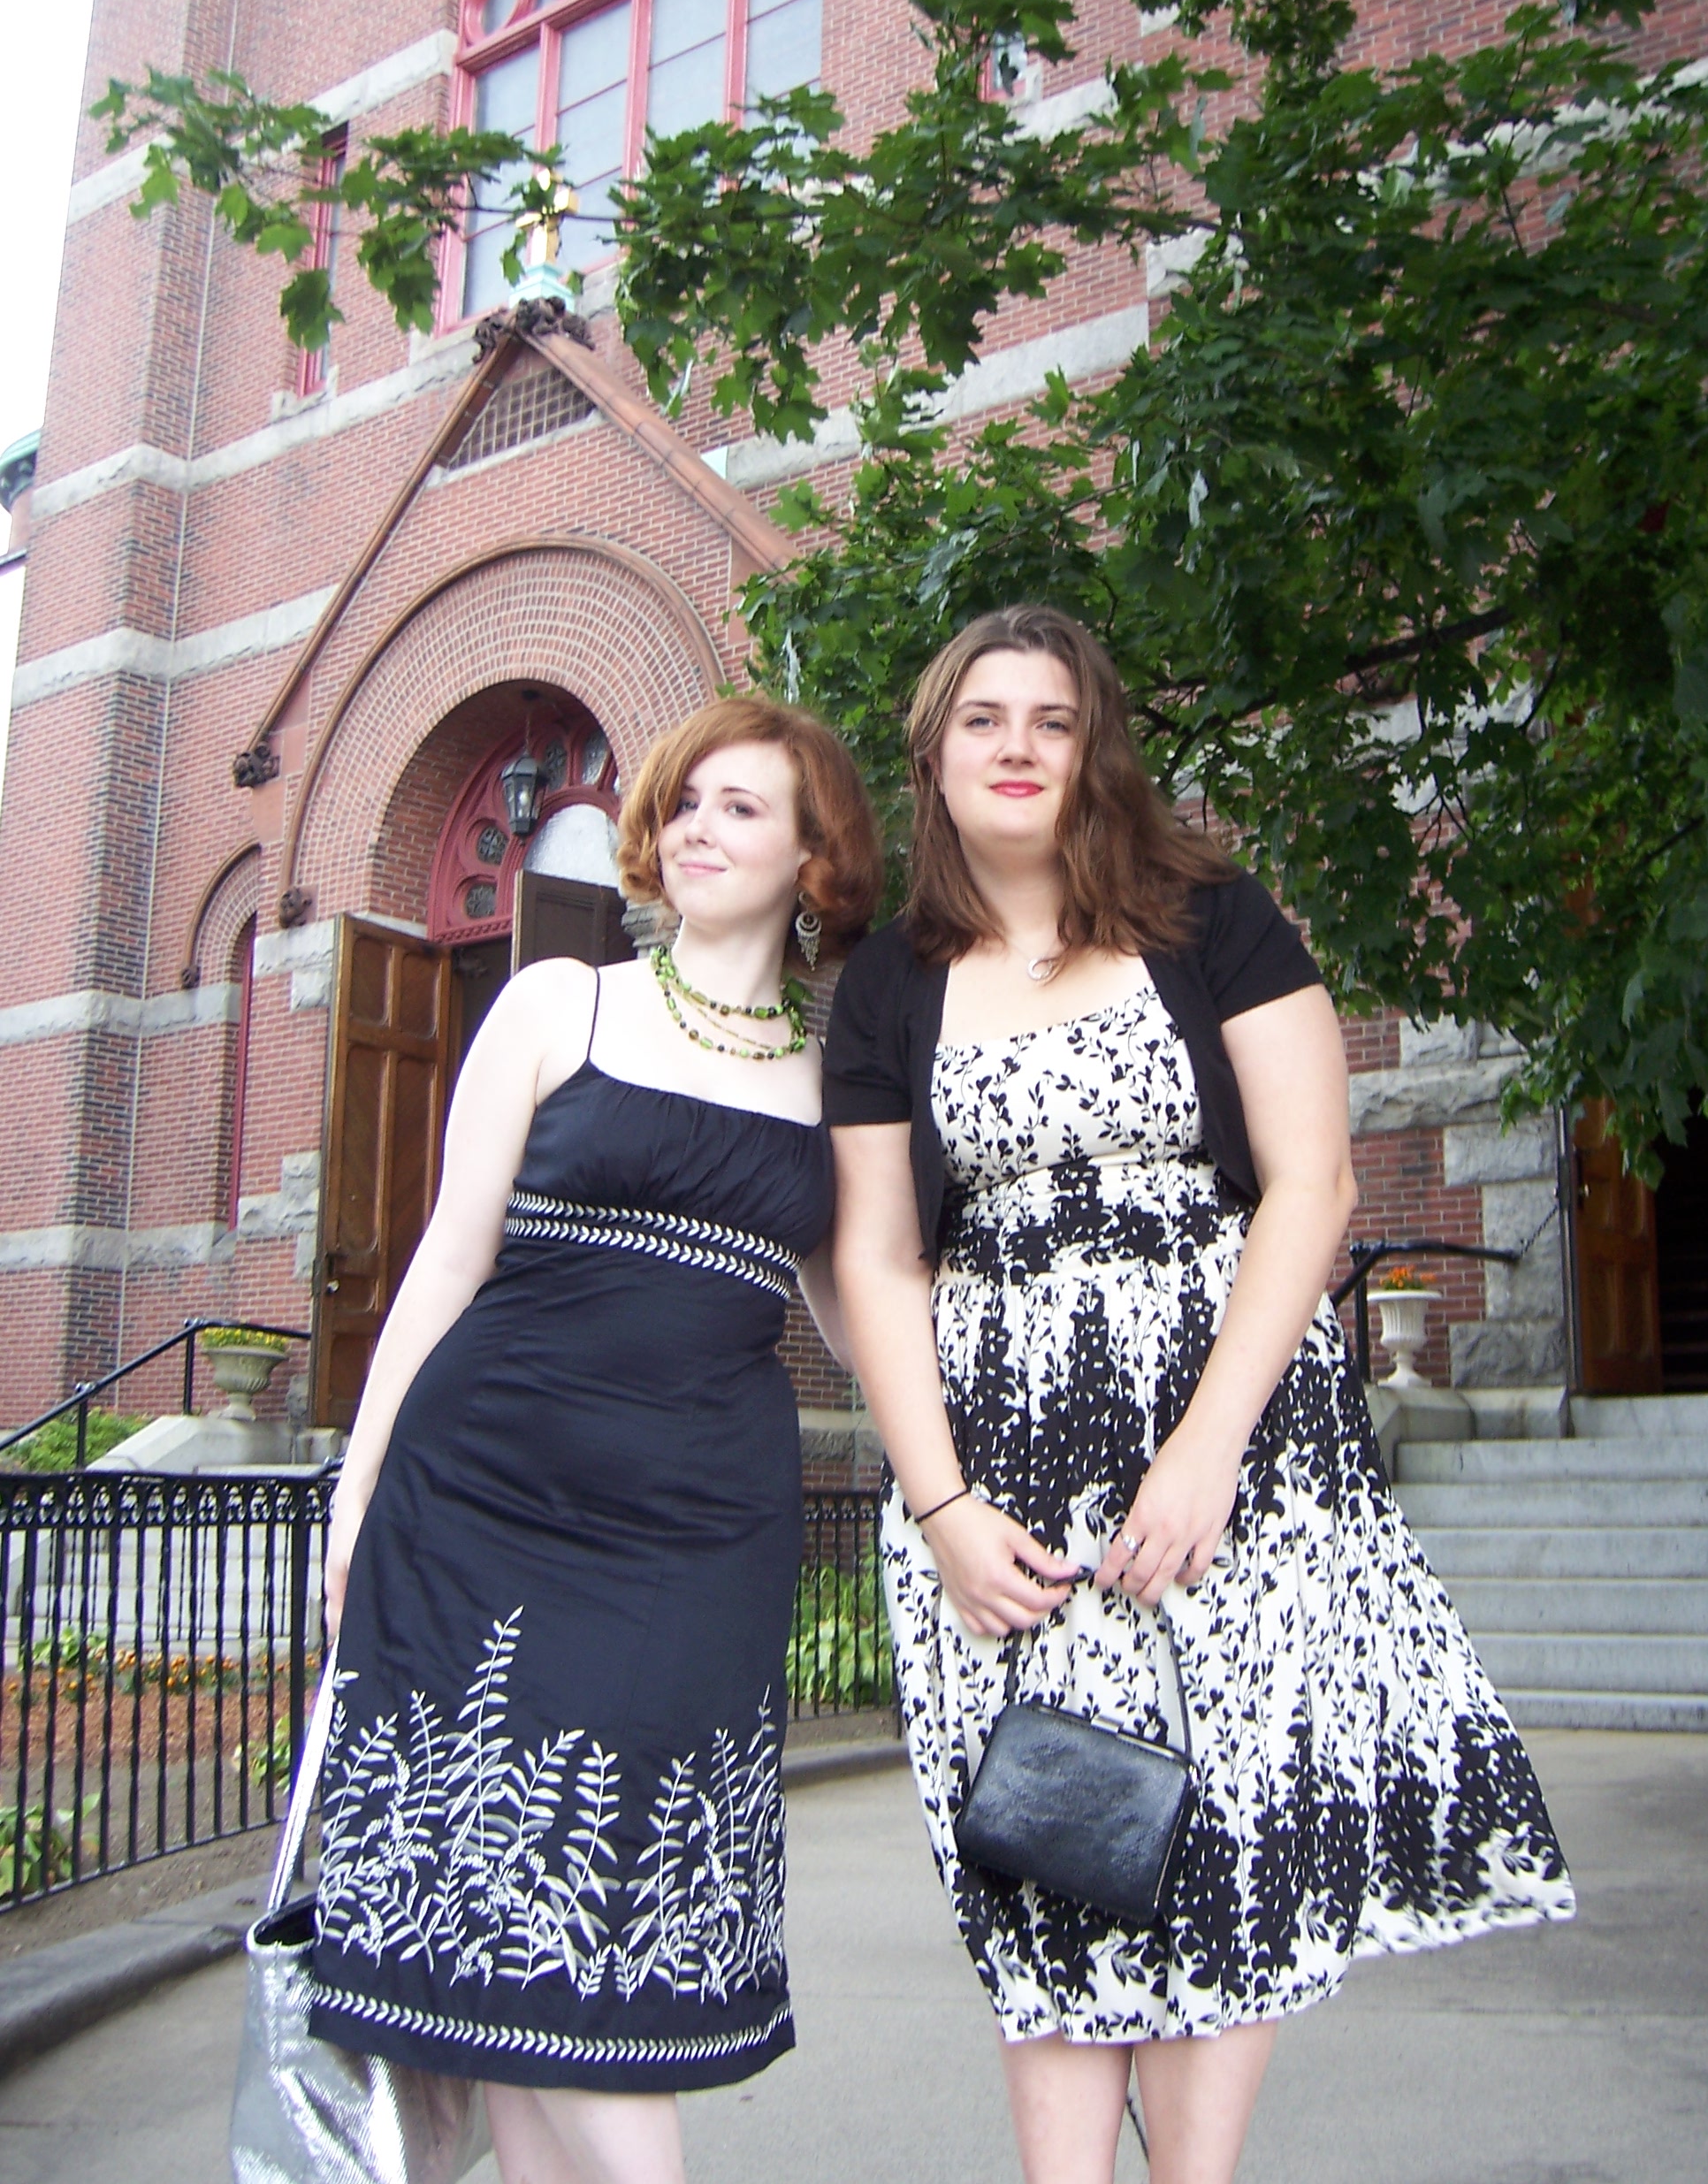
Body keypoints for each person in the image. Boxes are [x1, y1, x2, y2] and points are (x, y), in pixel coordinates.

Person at [824, 607, 1575, 2184]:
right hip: (995, 1480)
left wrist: (1206, 1452)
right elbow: (881, 1258)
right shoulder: (890, 985)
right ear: (934, 756)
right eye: (983, 719)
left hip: (1241, 1456)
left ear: (1095, 748)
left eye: (1052, 719)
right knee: (1050, 1834)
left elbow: (1313, 1184)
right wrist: (942, 1506)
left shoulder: (1211, 918)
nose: (1018, 746)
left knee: (1229, 1837)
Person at [309, 694, 883, 2184]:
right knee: (499, 1935)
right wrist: (357, 1496)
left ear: (816, 857)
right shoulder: (557, 1006)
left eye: (741, 808)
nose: (696, 827)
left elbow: (865, 1321)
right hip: (479, 1504)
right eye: (683, 800)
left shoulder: (840, 1088)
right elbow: (446, 1261)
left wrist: (986, 1462)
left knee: (601, 1892)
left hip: (698, 1532)